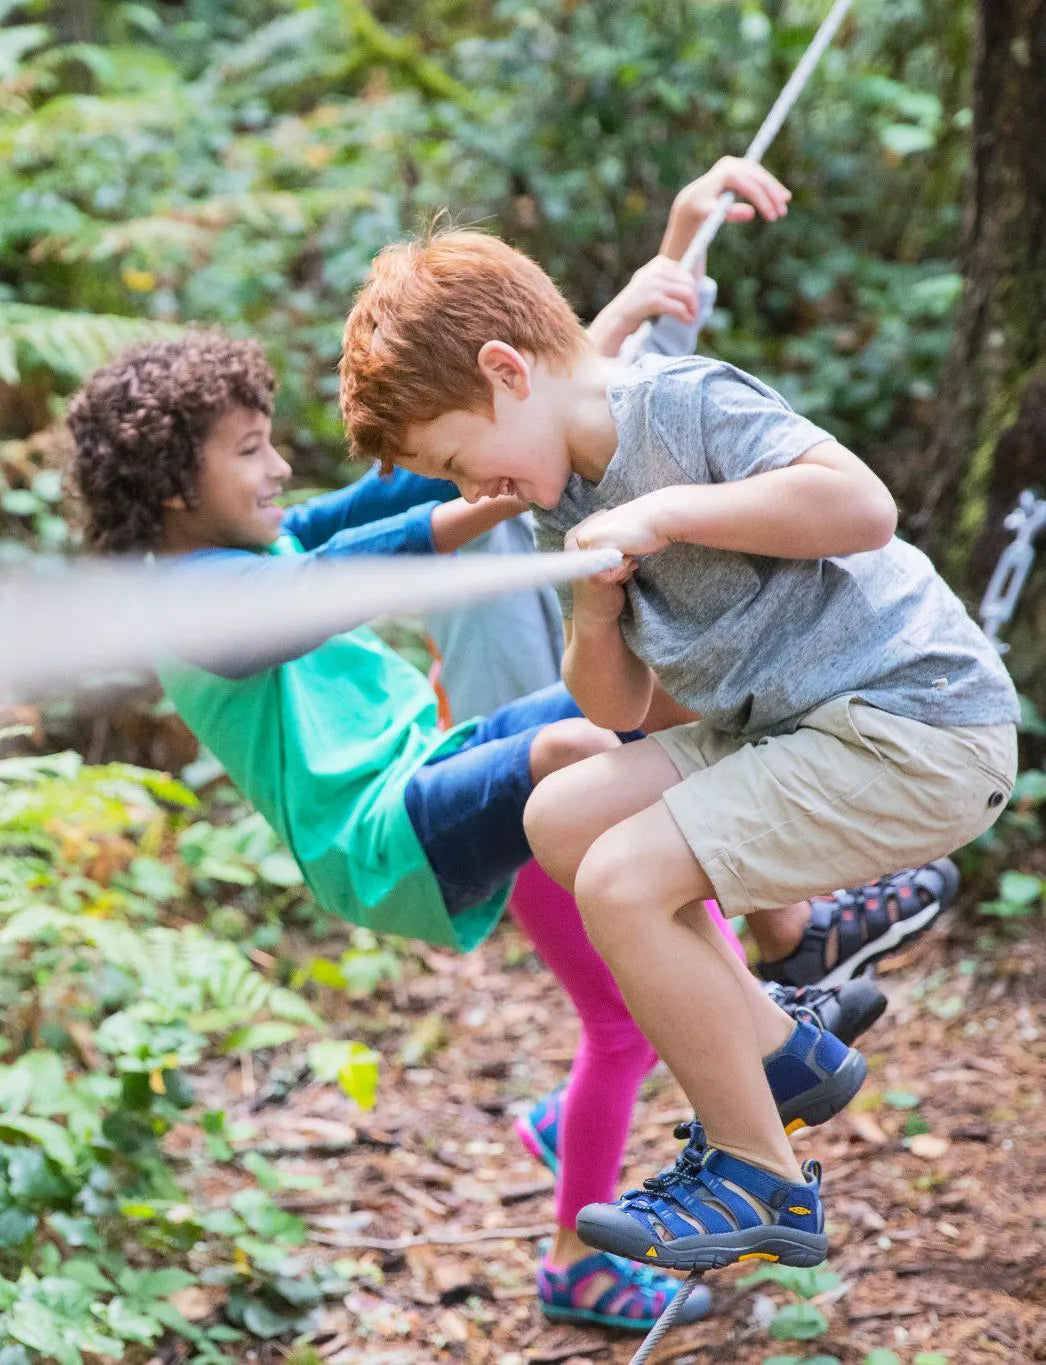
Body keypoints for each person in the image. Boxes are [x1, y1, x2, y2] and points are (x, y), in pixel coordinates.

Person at [68, 319, 874, 1329]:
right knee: (573, 752)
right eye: (249, 451)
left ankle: (791, 943)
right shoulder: (190, 605)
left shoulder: (244, 544)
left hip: (436, 761)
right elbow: (321, 584)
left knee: (639, 702)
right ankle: (775, 1014)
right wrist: (445, 533)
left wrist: (530, 410)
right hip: (378, 833)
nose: (279, 467)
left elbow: (374, 502)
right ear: (177, 487)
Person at [337, 208, 1020, 1273]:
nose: (474, 495)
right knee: (560, 813)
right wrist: (598, 614)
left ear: (507, 372)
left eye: (460, 461)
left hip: (914, 723)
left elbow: (860, 504)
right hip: (791, 730)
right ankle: (778, 1052)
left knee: (619, 880)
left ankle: (762, 1175)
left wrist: (664, 519)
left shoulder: (679, 405)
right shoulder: (565, 502)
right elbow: (632, 711)